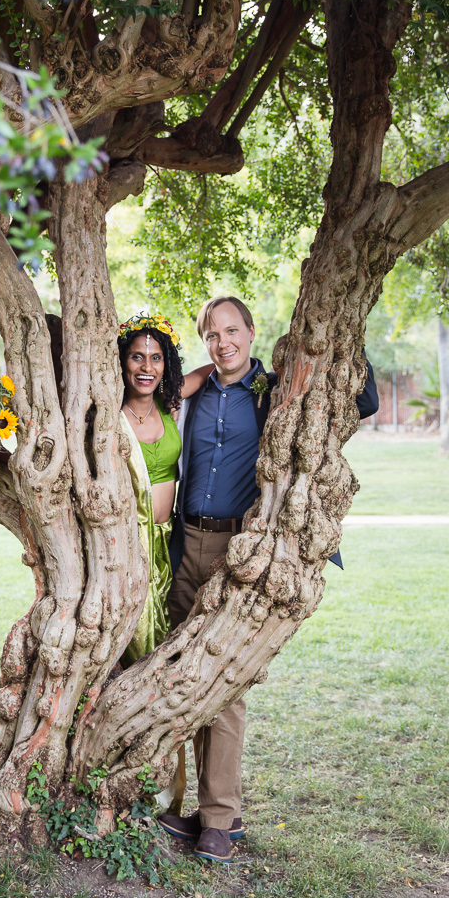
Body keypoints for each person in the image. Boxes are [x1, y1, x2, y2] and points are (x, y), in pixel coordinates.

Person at [159, 295, 379, 865]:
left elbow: (364, 400)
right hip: (187, 543)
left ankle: (218, 817)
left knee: (225, 684)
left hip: (243, 549)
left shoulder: (281, 392)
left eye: (232, 331)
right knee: (174, 673)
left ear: (252, 333)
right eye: (212, 333)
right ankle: (168, 803)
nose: (223, 342)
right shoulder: (194, 393)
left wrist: (345, 339)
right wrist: (191, 376)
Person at [116, 314, 212, 667]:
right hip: (128, 540)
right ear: (122, 360)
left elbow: (207, 372)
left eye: (156, 357)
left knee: (170, 625)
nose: (147, 367)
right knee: (135, 632)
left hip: (170, 538)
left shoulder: (168, 404)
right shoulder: (111, 416)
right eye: (137, 356)